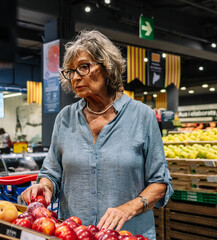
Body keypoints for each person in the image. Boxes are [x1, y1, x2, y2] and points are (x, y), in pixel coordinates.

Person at [21, 30, 173, 239]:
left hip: (128, 233)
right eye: (70, 71)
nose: (75, 77)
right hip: (74, 233)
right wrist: (44, 186)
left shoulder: (142, 116)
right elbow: (52, 172)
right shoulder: (65, 118)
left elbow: (160, 182)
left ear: (107, 67)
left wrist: (129, 208)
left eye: (83, 67)